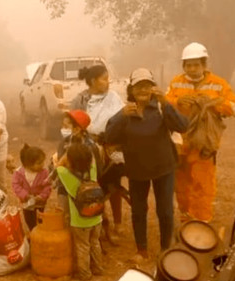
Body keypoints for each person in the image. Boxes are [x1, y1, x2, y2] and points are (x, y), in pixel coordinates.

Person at [105, 68, 189, 262]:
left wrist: (166, 103)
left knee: (165, 209)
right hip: (136, 170)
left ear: (153, 88)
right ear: (131, 90)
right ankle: (141, 250)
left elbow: (182, 125)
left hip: (163, 167)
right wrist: (121, 117)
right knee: (138, 210)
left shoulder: (160, 107)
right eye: (138, 86)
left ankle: (166, 248)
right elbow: (109, 137)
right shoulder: (126, 113)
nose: (143, 89)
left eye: (147, 85)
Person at [165, 42, 235, 222]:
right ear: (183, 66)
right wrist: (179, 101)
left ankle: (202, 221)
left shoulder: (218, 84)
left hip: (204, 142)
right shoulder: (176, 82)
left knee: (202, 183)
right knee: (181, 183)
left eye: (196, 64)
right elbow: (165, 104)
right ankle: (186, 216)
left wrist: (213, 103)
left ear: (204, 64)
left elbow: (232, 107)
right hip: (181, 142)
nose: (192, 69)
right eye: (188, 65)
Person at [70, 65, 125, 236]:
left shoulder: (114, 97)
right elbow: (73, 126)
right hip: (89, 148)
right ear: (93, 81)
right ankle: (101, 223)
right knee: (93, 186)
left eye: (108, 78)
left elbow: (123, 119)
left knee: (114, 186)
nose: (107, 82)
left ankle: (118, 223)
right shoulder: (80, 100)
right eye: (104, 78)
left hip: (112, 147)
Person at [57, 139, 103, 281]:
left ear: (70, 161)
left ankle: (85, 274)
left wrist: (66, 156)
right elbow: (92, 156)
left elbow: (58, 165)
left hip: (80, 220)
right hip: (97, 216)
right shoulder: (92, 170)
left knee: (83, 246)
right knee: (95, 242)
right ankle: (98, 268)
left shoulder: (65, 174)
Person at [12, 144, 51, 230]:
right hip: (26, 203)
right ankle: (33, 232)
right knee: (29, 220)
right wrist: (25, 195)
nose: (42, 165)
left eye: (43, 162)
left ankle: (39, 233)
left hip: (40, 202)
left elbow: (48, 186)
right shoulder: (19, 173)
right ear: (28, 164)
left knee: (40, 218)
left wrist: (42, 196)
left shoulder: (44, 172)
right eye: (39, 163)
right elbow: (16, 186)